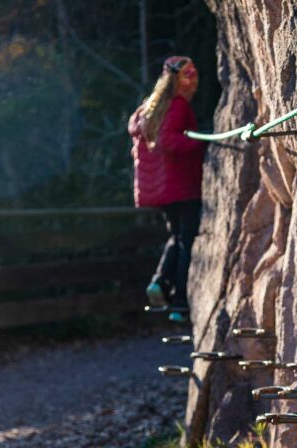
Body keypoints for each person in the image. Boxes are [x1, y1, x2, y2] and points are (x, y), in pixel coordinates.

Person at [127, 56, 206, 322]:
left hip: (159, 189)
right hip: (181, 185)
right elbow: (169, 141)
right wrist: (200, 143)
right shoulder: (178, 105)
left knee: (176, 236)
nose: (192, 80)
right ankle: (180, 304)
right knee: (186, 240)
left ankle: (159, 283)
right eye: (188, 75)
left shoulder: (148, 108)